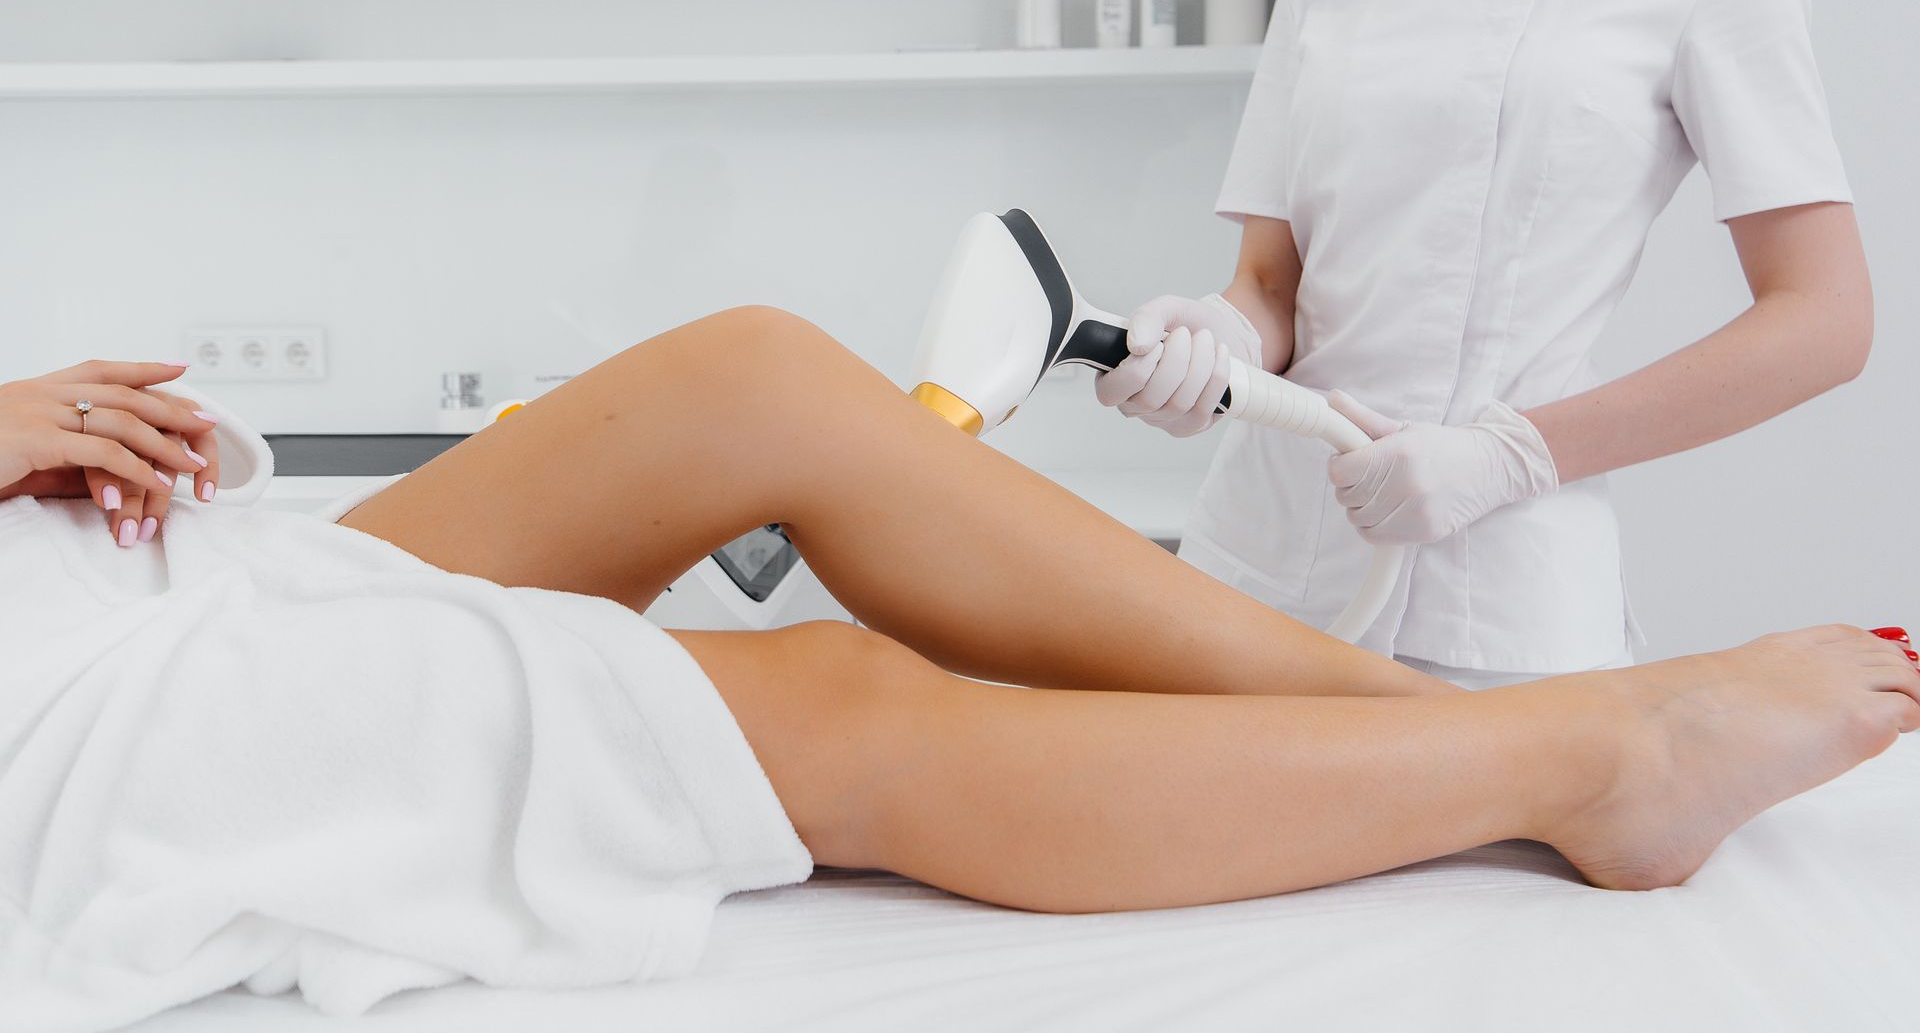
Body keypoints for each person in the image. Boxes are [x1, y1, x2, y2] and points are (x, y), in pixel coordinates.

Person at [2, 312, 1914, 937]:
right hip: (67, 725)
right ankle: (1600, 758)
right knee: (823, 692)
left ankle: (1450, 714)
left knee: (752, 377)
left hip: (117, 574)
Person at [1096, 0, 1871, 689]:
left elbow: (1824, 320)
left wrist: (1512, 456)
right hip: (1253, 569)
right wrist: (1214, 349)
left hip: (1498, 605)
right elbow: (1270, 286)